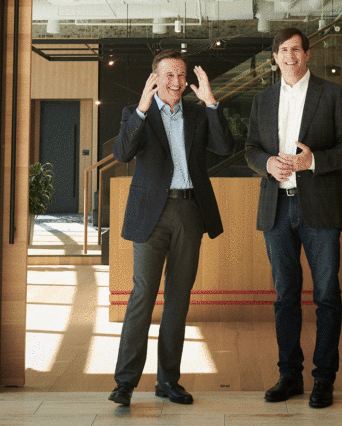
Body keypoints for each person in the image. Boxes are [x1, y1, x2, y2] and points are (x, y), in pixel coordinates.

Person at [109, 49, 233, 406]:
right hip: (151, 214)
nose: (176, 81)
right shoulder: (137, 113)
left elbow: (224, 146)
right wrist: (142, 108)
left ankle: (168, 381)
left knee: (178, 298)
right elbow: (121, 153)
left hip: (189, 211)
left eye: (181, 75)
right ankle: (125, 384)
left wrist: (210, 102)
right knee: (143, 295)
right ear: (155, 79)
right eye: (169, 75)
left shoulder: (198, 113)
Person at [244, 28, 342, 409]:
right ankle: (290, 376)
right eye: (283, 50)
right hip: (276, 208)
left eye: (296, 49)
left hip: (321, 207)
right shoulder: (261, 100)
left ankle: (324, 378)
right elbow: (250, 149)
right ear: (275, 57)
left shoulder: (332, 94)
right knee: (285, 296)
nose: (289, 55)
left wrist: (314, 161)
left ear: (307, 55)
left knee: (326, 294)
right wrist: (267, 163)